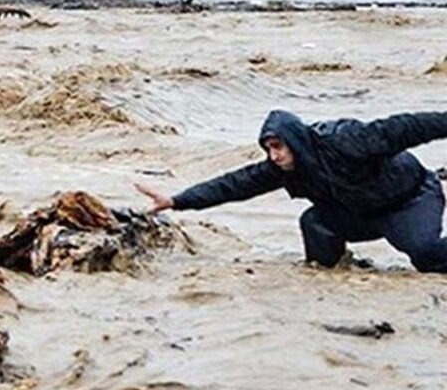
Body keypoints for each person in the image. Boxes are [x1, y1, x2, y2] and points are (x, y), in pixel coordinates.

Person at [135, 109, 447, 274]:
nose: (274, 156)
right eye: (268, 149)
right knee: (314, 221)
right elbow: (233, 185)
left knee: (424, 255)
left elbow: (407, 127)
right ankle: (333, 271)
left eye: (278, 147)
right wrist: (177, 200)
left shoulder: (345, 139)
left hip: (410, 200)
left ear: (294, 141)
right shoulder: (282, 169)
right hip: (360, 214)